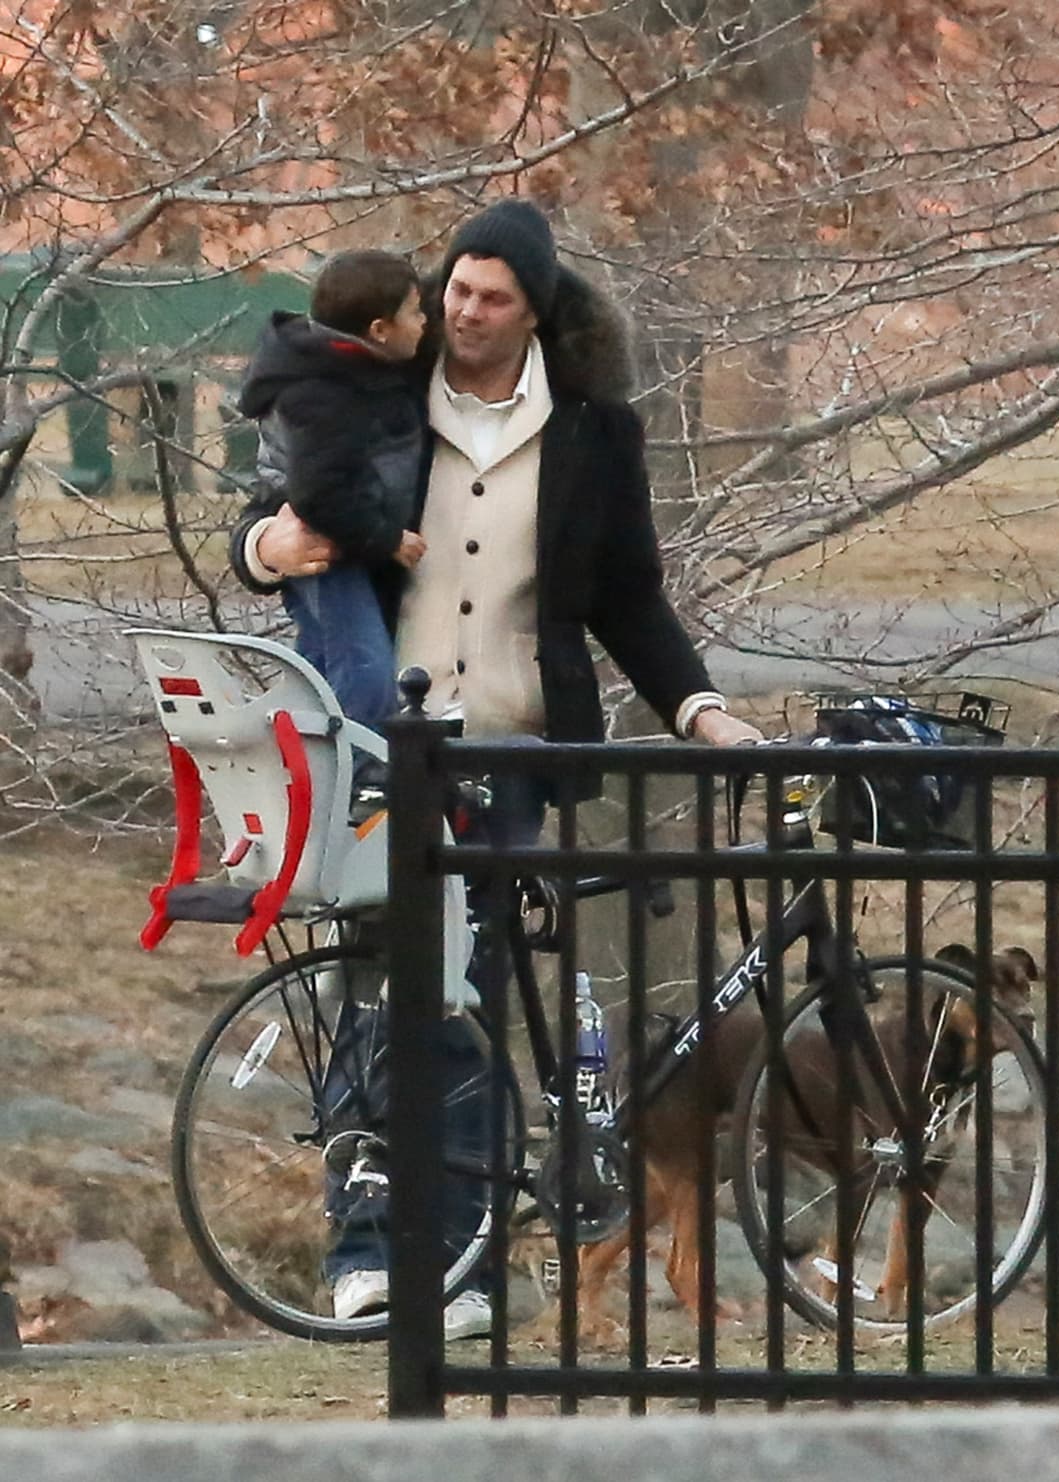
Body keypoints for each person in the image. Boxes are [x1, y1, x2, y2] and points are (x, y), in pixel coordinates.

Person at [230, 198, 762, 1337]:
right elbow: (271, 510)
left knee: (472, 1010)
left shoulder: (590, 432)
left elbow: (629, 598)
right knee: (377, 991)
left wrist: (701, 710)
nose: (465, 314)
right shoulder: (378, 389)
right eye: (456, 292)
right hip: (383, 750)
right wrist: (263, 549)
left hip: (514, 750)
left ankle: (462, 1271)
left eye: (492, 300)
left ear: (533, 313)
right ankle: (365, 1259)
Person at [237, 249, 429, 792]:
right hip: (327, 552)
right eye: (415, 313)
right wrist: (385, 538)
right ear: (380, 329)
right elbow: (320, 494)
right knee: (364, 672)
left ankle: (298, 777)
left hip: (338, 549)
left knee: (320, 665)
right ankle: (356, 782)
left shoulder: (352, 369)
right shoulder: (326, 390)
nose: (426, 324)